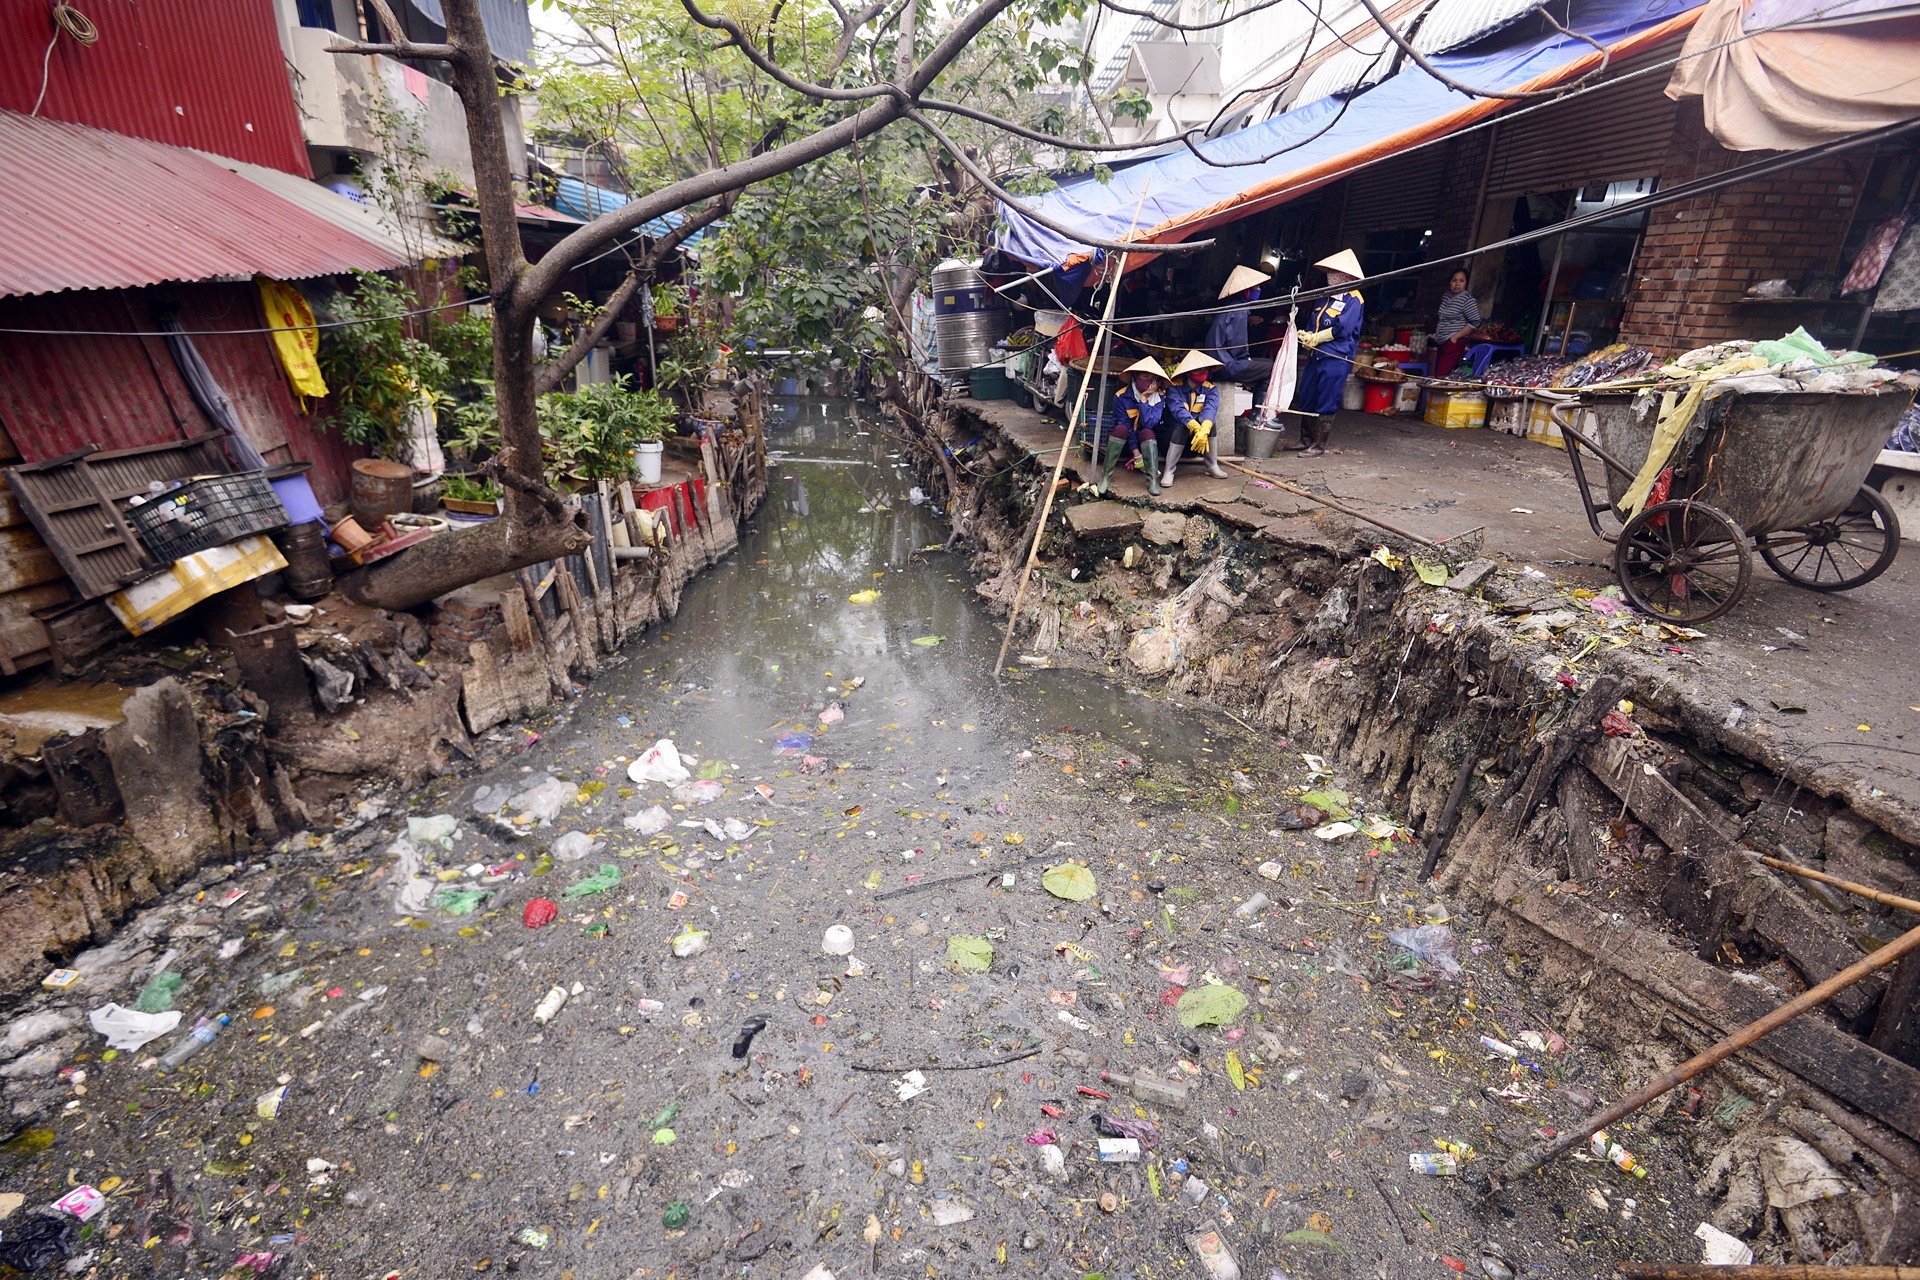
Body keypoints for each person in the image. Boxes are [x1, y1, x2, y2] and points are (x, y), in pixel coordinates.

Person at [1292, 249, 1366, 458]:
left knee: (1327, 397)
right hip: (1315, 356)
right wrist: (1307, 335)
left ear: (1347, 276)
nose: (1331, 276)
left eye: (1336, 273)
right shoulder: (1324, 297)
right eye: (1330, 272)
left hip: (1336, 357)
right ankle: (1305, 438)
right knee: (1307, 394)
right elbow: (1312, 320)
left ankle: (1318, 444)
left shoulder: (1354, 299)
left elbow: (1344, 327)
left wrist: (1319, 337)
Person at [1100, 356, 1169, 496]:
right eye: (1145, 376)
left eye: (1153, 378)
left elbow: (1150, 423)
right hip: (1124, 445)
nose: (1149, 381)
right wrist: (1136, 453)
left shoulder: (1159, 397)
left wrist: (1144, 399)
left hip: (1146, 446)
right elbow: (1123, 423)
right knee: (1121, 429)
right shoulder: (1121, 396)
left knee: (1148, 431)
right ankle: (1105, 477)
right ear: (1134, 377)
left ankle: (1152, 480)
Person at [1163, 349, 1228, 487]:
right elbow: (1177, 409)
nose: (1201, 373)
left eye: (1204, 369)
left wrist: (1204, 428)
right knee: (1182, 426)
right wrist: (1193, 424)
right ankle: (1169, 470)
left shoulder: (1210, 389)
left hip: (1196, 444)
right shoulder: (1174, 388)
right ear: (1188, 372)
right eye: (1197, 370)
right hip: (1169, 442)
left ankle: (1212, 466)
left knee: (1210, 423)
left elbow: (1211, 408)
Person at [1206, 264, 1275, 386]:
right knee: (1272, 368)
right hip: (1224, 365)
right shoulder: (1239, 311)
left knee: (1266, 362)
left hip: (1220, 361)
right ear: (1246, 290)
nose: (1259, 290)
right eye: (1256, 286)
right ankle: (1259, 406)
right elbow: (1238, 347)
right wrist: (1245, 360)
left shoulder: (1234, 305)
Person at [1432, 268, 1483, 378]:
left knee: (1441, 375)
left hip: (1454, 341)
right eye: (1454, 280)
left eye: (1461, 281)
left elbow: (1475, 322)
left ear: (1466, 283)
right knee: (1438, 373)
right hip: (1441, 340)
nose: (1457, 284)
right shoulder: (1446, 296)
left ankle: (1437, 395)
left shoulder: (1467, 300)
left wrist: (1455, 337)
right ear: (1450, 282)